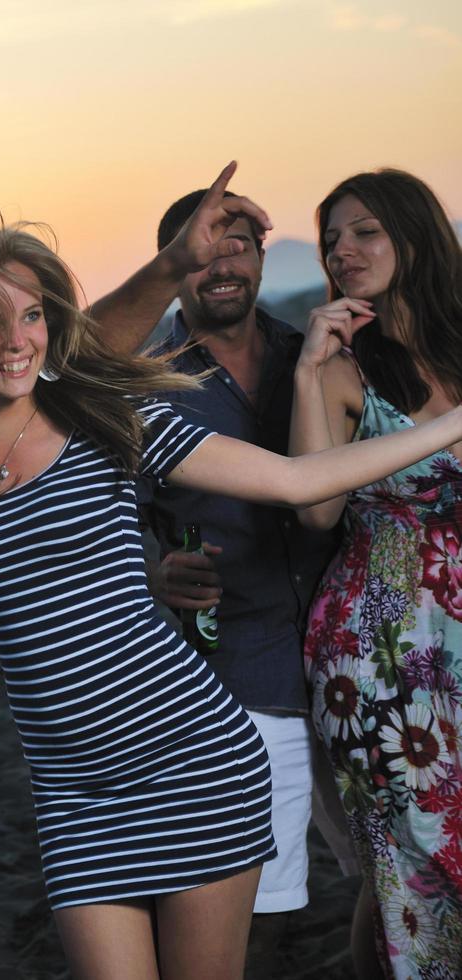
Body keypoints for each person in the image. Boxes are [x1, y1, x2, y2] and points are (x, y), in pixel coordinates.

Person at [0, 199, 462, 979]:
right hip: (72, 798)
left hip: (192, 760)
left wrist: (449, 425)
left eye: (31, 315)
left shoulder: (107, 419)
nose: (17, 340)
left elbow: (297, 479)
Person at [137, 188, 343, 965]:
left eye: (238, 247)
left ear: (262, 255)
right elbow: (103, 513)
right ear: (171, 269)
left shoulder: (311, 355)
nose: (221, 266)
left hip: (345, 660)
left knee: (393, 872)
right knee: (260, 910)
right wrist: (154, 571)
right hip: (238, 679)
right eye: (201, 251)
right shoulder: (144, 383)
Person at [289, 168, 462, 979]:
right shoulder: (342, 370)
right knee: (407, 862)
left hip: (456, 636)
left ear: (414, 235)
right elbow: (315, 511)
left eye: (363, 232)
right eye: (330, 239)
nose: (342, 250)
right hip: (382, 651)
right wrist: (305, 370)